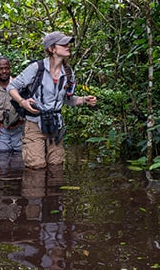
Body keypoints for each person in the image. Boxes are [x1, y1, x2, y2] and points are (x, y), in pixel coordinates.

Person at [8, 31, 97, 169]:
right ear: (51, 49)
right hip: (35, 124)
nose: (68, 46)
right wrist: (22, 102)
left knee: (56, 166)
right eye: (63, 44)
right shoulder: (36, 68)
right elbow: (12, 87)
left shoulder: (68, 72)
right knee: (36, 167)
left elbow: (67, 99)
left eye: (68, 43)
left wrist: (84, 100)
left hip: (55, 126)